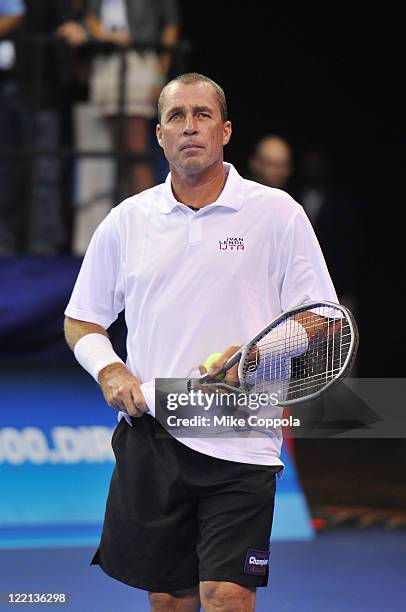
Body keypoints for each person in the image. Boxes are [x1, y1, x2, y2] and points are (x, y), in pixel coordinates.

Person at [64, 73, 337, 611]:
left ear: (226, 131)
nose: (190, 127)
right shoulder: (126, 221)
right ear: (160, 135)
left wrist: (258, 356)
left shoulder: (278, 213)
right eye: (176, 117)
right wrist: (110, 371)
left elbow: (320, 318)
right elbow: (82, 321)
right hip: (154, 435)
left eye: (203, 115)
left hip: (240, 432)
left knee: (227, 595)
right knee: (170, 600)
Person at [85, 0, 180, 195]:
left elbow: (171, 25)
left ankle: (149, 218)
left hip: (140, 59)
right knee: (119, 151)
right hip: (107, 62)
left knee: (136, 149)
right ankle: (129, 213)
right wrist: (107, 37)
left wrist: (160, 73)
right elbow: (91, 19)